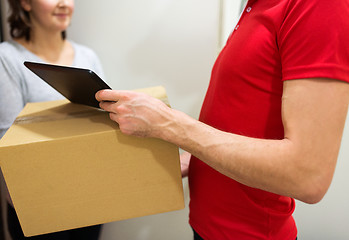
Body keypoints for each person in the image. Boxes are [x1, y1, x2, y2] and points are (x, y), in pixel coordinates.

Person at [95, 0, 349, 239]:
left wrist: (168, 124)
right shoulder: (255, 7)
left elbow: (307, 175)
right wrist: (196, 161)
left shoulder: (318, 5)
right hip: (207, 227)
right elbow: (247, 123)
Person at [0, 0, 104, 239]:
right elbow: (8, 141)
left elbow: (105, 124)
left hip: (91, 197)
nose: (63, 4)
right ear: (25, 3)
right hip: (37, 202)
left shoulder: (87, 57)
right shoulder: (7, 58)